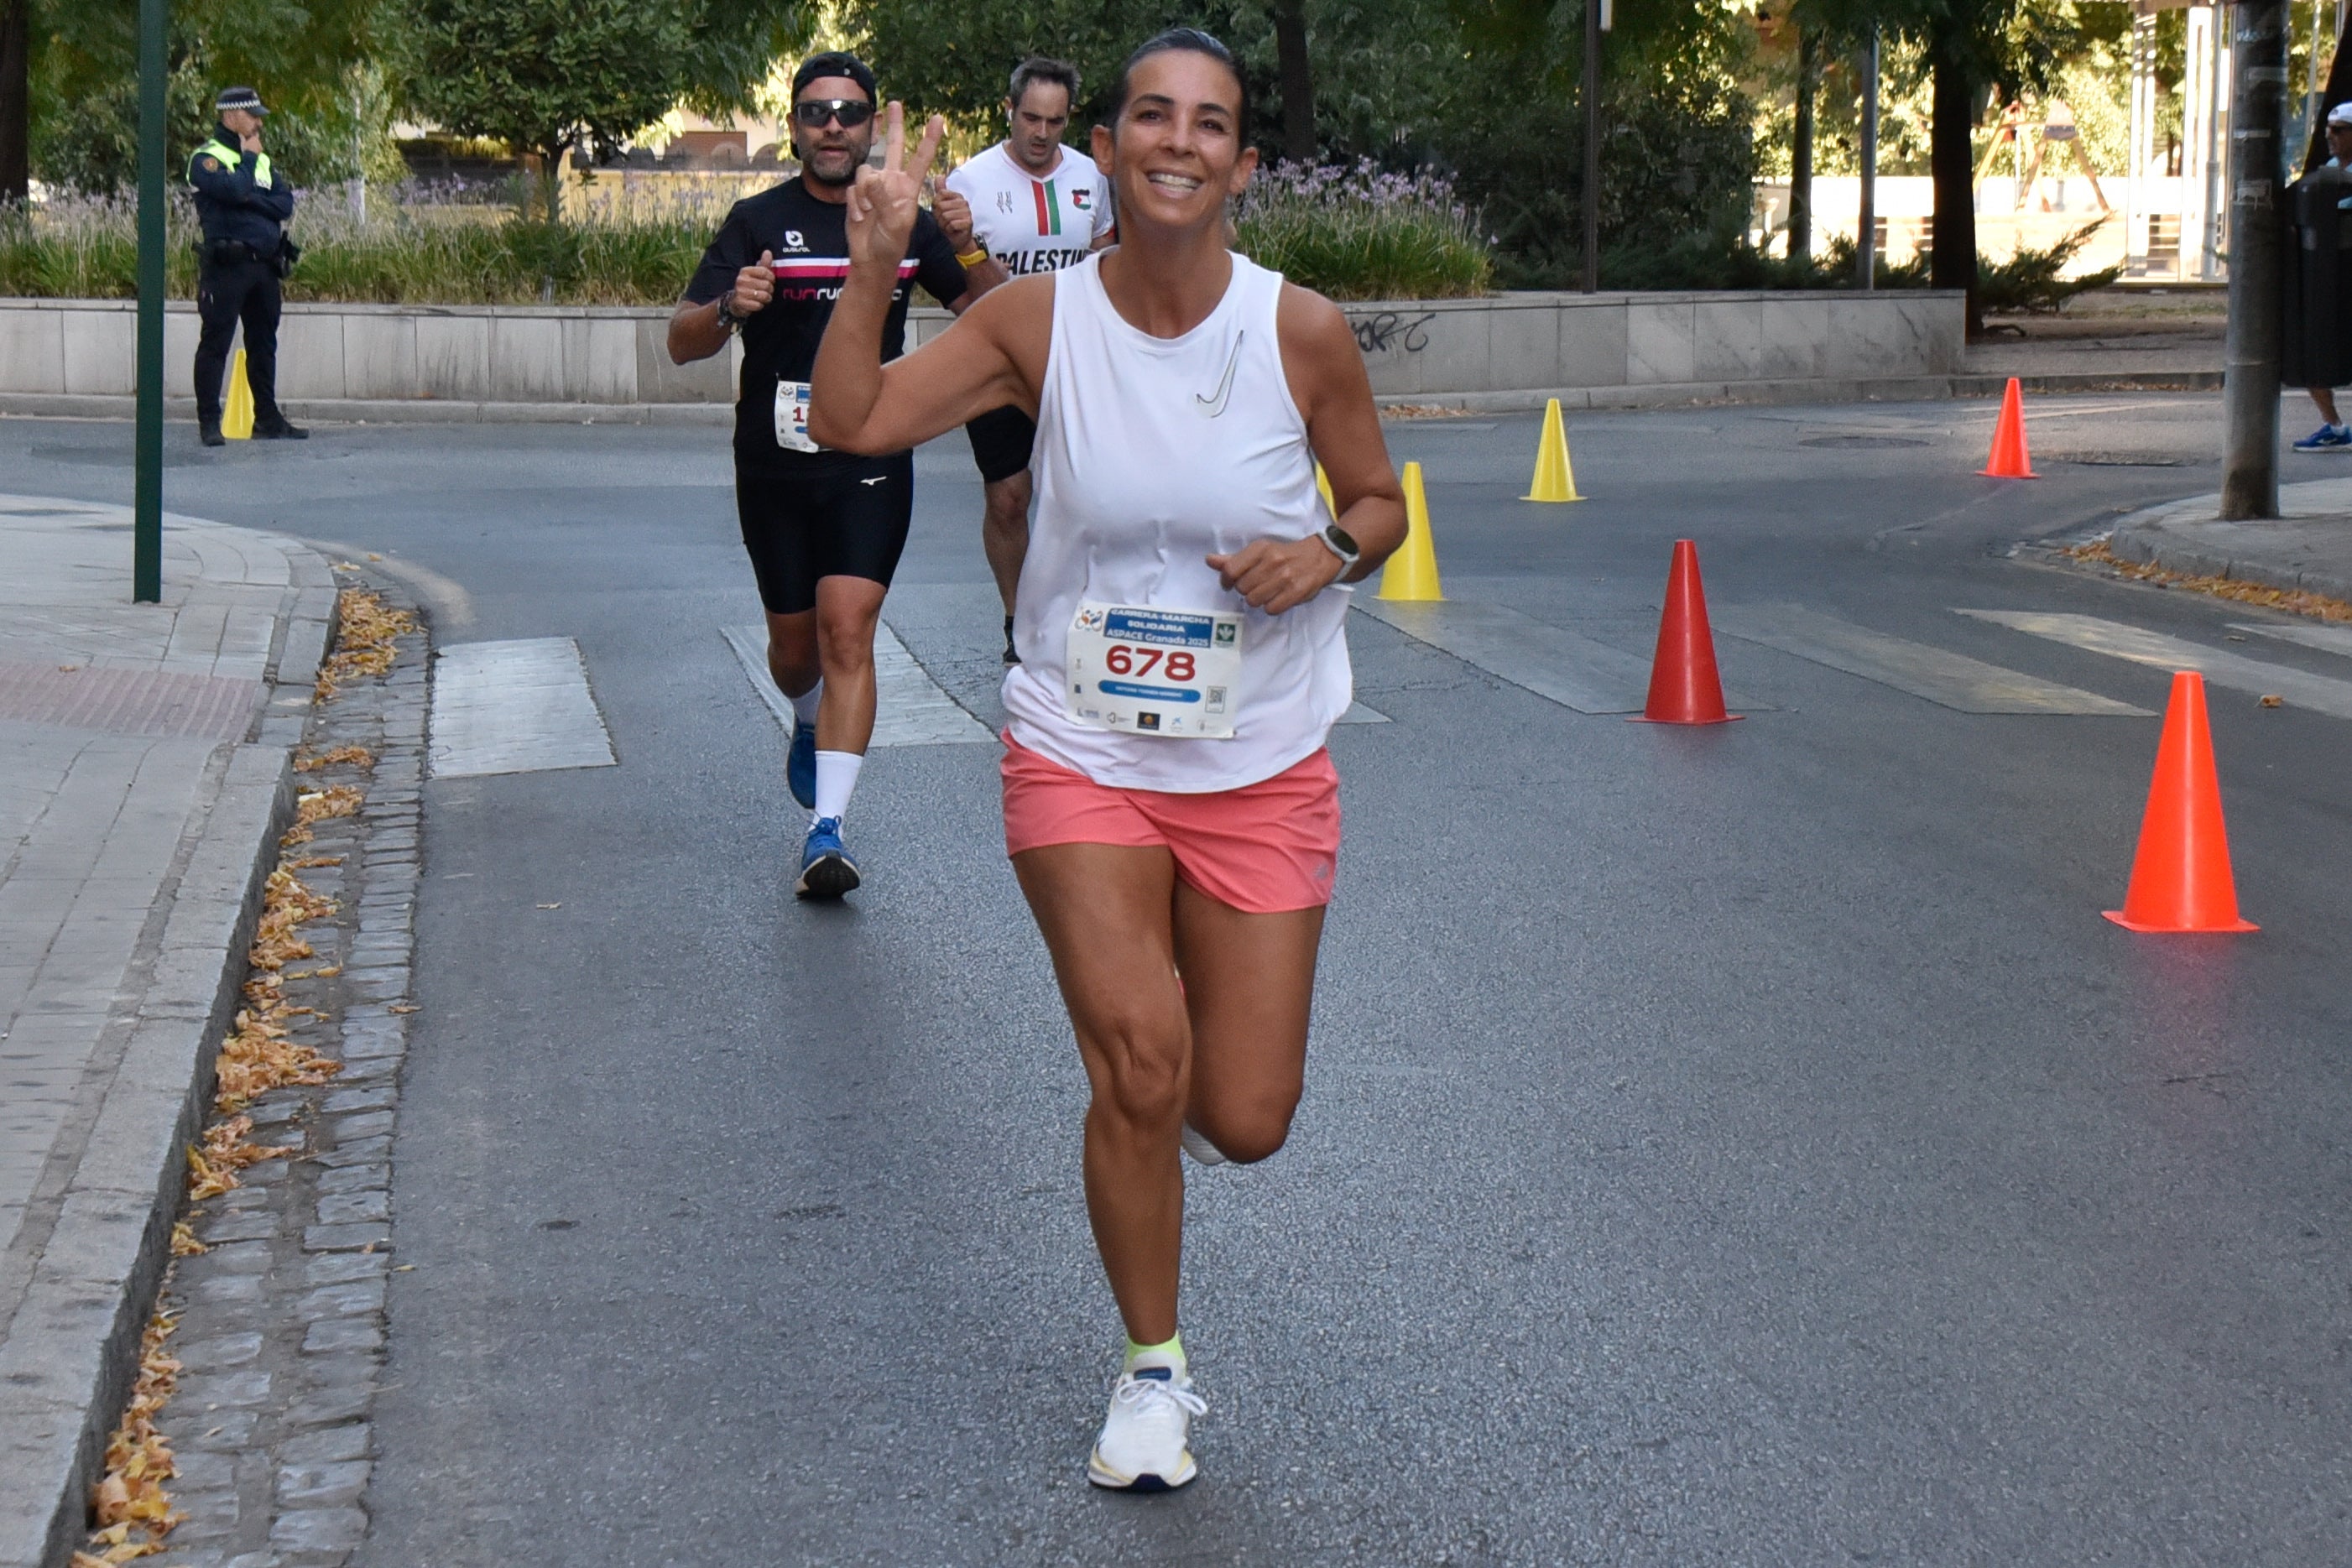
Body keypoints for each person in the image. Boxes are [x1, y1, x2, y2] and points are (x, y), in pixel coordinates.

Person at [811, 30, 1407, 1490]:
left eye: (1208, 124)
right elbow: (851, 421)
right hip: (1078, 744)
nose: (1177, 142)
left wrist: (1325, 554)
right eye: (1152, 115)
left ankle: (1165, 1112)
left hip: (1259, 754)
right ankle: (1150, 1371)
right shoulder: (1038, 319)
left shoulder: (1298, 331)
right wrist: (876, 263)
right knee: (1140, 1061)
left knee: (1243, 1116)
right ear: (1107, 149)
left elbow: (1378, 500)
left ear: (1241, 165)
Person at [668, 51, 973, 898]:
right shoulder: (757, 220)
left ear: (871, 124)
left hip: (868, 457)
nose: (832, 126)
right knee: (795, 650)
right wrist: (729, 308)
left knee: (849, 631)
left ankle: (827, 830)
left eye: (848, 112)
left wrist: (966, 243)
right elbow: (682, 340)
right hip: (774, 463)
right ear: (795, 127)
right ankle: (806, 716)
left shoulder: (906, 222)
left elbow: (993, 316)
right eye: (815, 112)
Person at [942, 58, 1118, 662]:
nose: (1042, 133)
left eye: (1055, 121)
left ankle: (1084, 615)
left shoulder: (1091, 176)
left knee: (1088, 498)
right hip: (996, 361)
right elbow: (963, 288)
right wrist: (968, 250)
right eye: (1031, 119)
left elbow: (1105, 259)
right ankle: (1018, 623)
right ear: (1009, 111)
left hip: (1075, 358)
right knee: (1009, 498)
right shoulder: (969, 181)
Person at [189, 86, 304, 446]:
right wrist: (249, 164)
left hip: (265, 268)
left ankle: (267, 419)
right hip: (227, 267)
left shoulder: (263, 159)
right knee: (215, 343)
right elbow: (236, 190)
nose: (258, 122)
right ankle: (210, 422)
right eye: (252, 116)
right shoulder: (207, 158)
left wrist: (249, 198)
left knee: (264, 344)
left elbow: (284, 205)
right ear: (231, 116)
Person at [2295, 102, 2352, 453]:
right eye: (2329, 130)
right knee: (2312, 354)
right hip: (2326, 277)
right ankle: (2334, 426)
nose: (2330, 137)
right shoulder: (2328, 172)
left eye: (2339, 130)